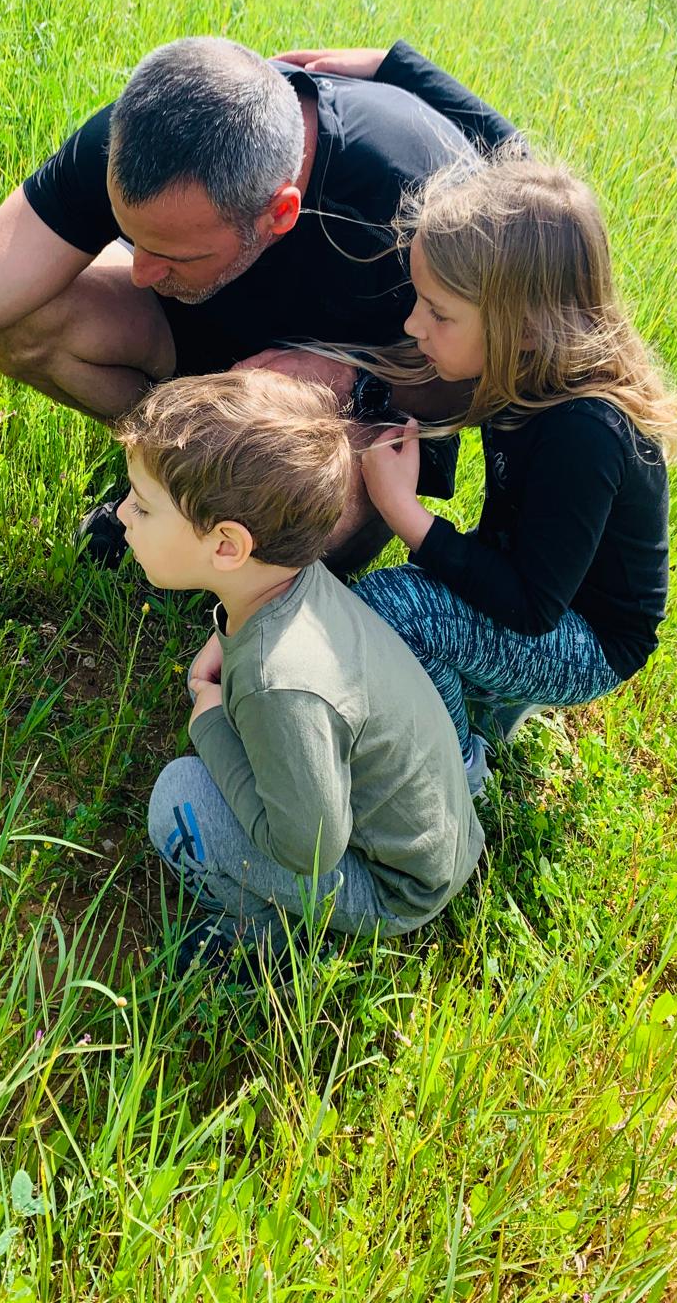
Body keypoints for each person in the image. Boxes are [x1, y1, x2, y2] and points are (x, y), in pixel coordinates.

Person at [0, 39, 521, 647]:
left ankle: (222, 518)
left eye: (172, 254)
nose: (138, 272)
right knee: (33, 318)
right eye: (129, 239)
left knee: (312, 526)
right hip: (217, 352)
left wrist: (345, 383)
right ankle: (177, 486)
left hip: (358, 418)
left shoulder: (412, 194)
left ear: (278, 215)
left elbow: (483, 381)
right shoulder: (140, 143)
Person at [115, 369, 484, 975]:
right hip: (440, 833)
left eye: (144, 506)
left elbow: (307, 848)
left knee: (178, 800)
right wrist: (223, 637)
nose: (124, 515)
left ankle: (260, 940)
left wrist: (210, 724)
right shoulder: (296, 577)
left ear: (229, 547)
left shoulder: (278, 681)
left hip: (395, 887)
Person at [351, 154, 677, 789]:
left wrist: (408, 516)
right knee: (408, 605)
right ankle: (486, 698)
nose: (412, 325)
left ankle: (448, 774)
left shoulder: (585, 432)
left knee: (396, 608)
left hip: (586, 639)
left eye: (438, 313)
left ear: (526, 328)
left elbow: (533, 607)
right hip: (535, 589)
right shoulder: (527, 375)